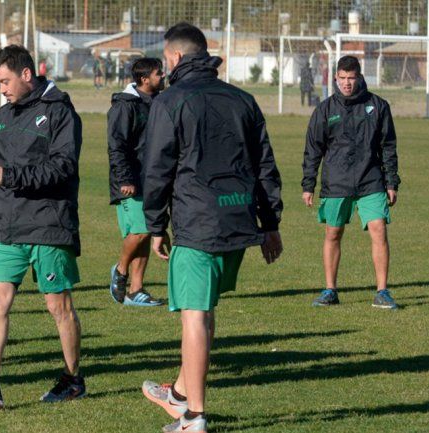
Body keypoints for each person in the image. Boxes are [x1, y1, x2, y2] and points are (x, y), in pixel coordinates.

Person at [140, 23, 283, 433]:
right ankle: (181, 394)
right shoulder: (243, 99)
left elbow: (157, 169)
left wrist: (155, 225)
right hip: (237, 221)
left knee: (195, 316)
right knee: (204, 311)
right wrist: (269, 223)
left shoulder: (170, 101)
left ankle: (193, 417)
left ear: (176, 58)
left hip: (197, 223)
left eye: (167, 59)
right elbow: (265, 167)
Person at [0, 45, 84, 408]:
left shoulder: (60, 112)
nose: (3, 89)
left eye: (6, 81)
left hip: (48, 223)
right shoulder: (1, 116)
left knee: (58, 306)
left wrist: (12, 176)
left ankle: (73, 379)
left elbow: (63, 168)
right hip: (5, 224)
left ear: (27, 75)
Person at [302, 55, 400, 309]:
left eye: (351, 78)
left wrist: (391, 182)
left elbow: (388, 147)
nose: (347, 83)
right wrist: (308, 184)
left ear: (359, 77)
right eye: (342, 78)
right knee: (333, 233)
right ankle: (330, 290)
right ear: (336, 78)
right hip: (336, 181)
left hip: (371, 180)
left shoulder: (378, 106)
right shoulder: (325, 109)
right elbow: (313, 149)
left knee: (379, 229)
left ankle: (382, 292)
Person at [108, 57, 165, 307]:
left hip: (152, 180)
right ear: (144, 79)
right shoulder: (124, 106)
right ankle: (120, 270)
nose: (162, 76)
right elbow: (116, 145)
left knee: (148, 231)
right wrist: (125, 178)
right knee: (140, 231)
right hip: (130, 182)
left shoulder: (158, 102)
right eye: (158, 73)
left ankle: (136, 290)